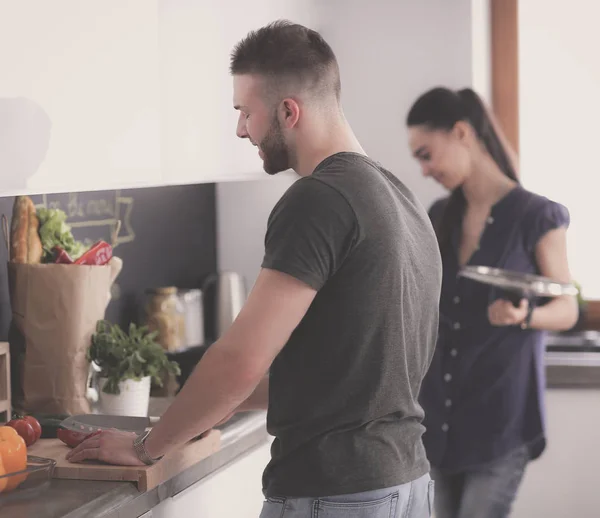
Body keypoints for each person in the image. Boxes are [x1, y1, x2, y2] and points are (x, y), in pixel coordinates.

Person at [67, 21, 442, 518]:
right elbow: (345, 373)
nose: (241, 129)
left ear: (289, 111)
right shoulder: (399, 197)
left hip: (333, 493)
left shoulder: (319, 199)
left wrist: (144, 448)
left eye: (246, 112)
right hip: (404, 483)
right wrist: (200, 411)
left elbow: (240, 359)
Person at [406, 87, 578, 518]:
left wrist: (526, 315)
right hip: (437, 417)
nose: (424, 170)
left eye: (427, 154)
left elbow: (568, 308)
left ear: (461, 132)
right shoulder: (439, 213)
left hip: (500, 419)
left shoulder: (535, 215)